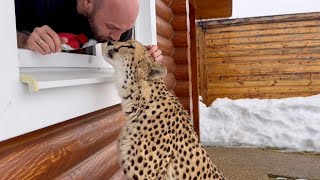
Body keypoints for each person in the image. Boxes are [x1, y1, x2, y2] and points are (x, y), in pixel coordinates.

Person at [14, 0, 163, 61]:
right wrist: (23, 40)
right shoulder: (39, 4)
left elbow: (120, 48)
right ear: (88, 2)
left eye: (125, 30)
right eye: (111, 27)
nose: (116, 37)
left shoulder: (119, 24)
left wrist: (140, 55)